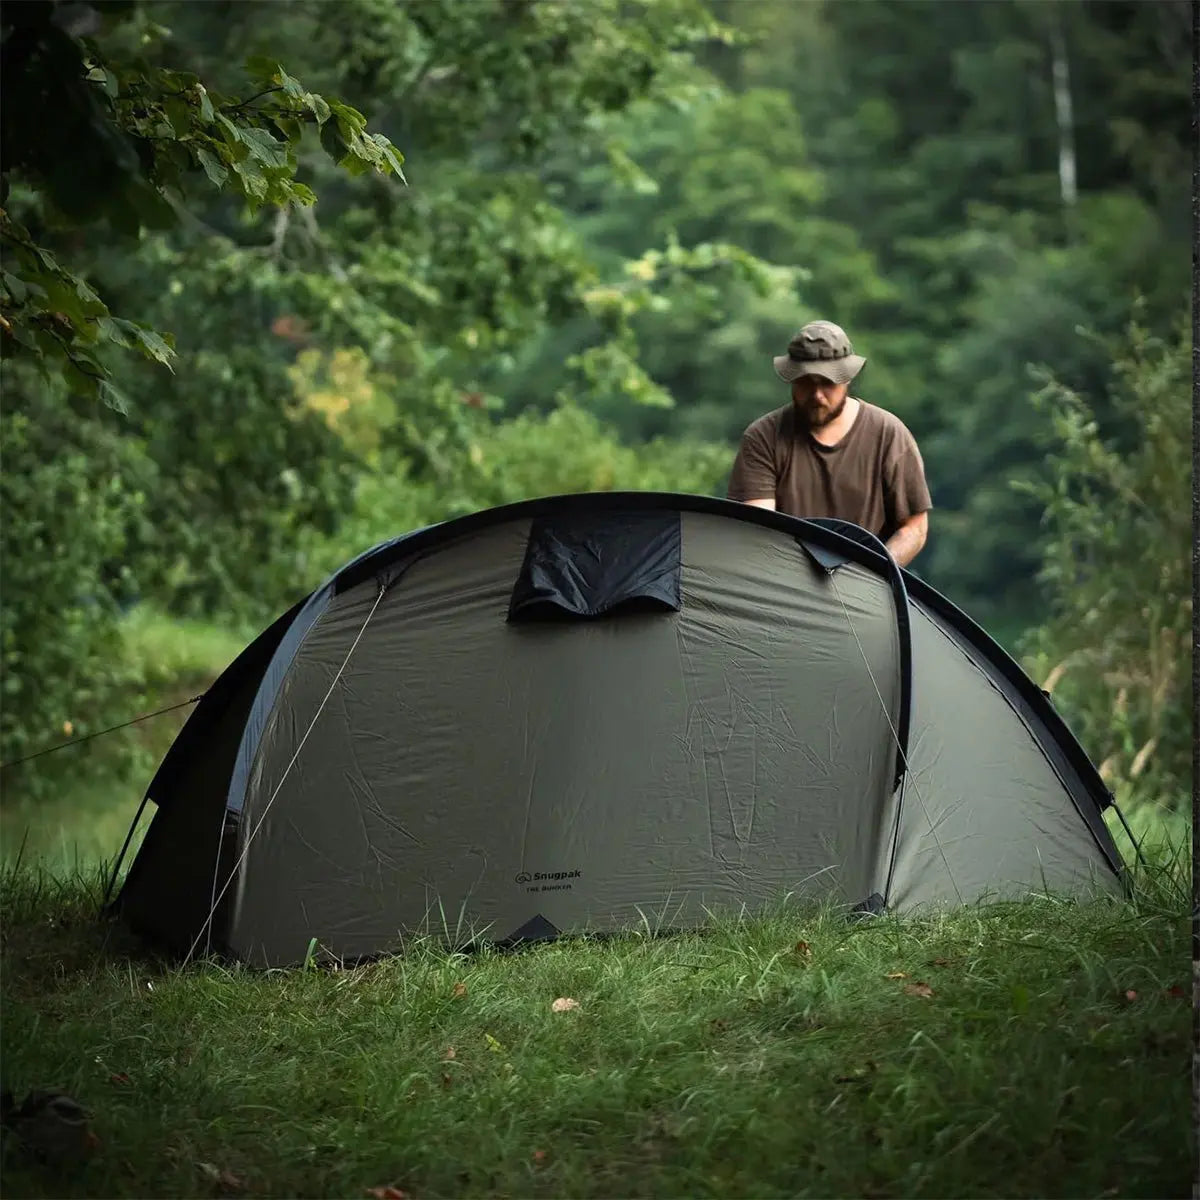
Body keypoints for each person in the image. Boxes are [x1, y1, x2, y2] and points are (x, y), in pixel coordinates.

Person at [726, 319, 932, 568]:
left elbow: (914, 527)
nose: (817, 395)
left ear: (846, 380)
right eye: (806, 383)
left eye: (827, 383)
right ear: (792, 380)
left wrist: (875, 573)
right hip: (783, 577)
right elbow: (758, 529)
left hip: (868, 581)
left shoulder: (889, 435)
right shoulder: (764, 437)